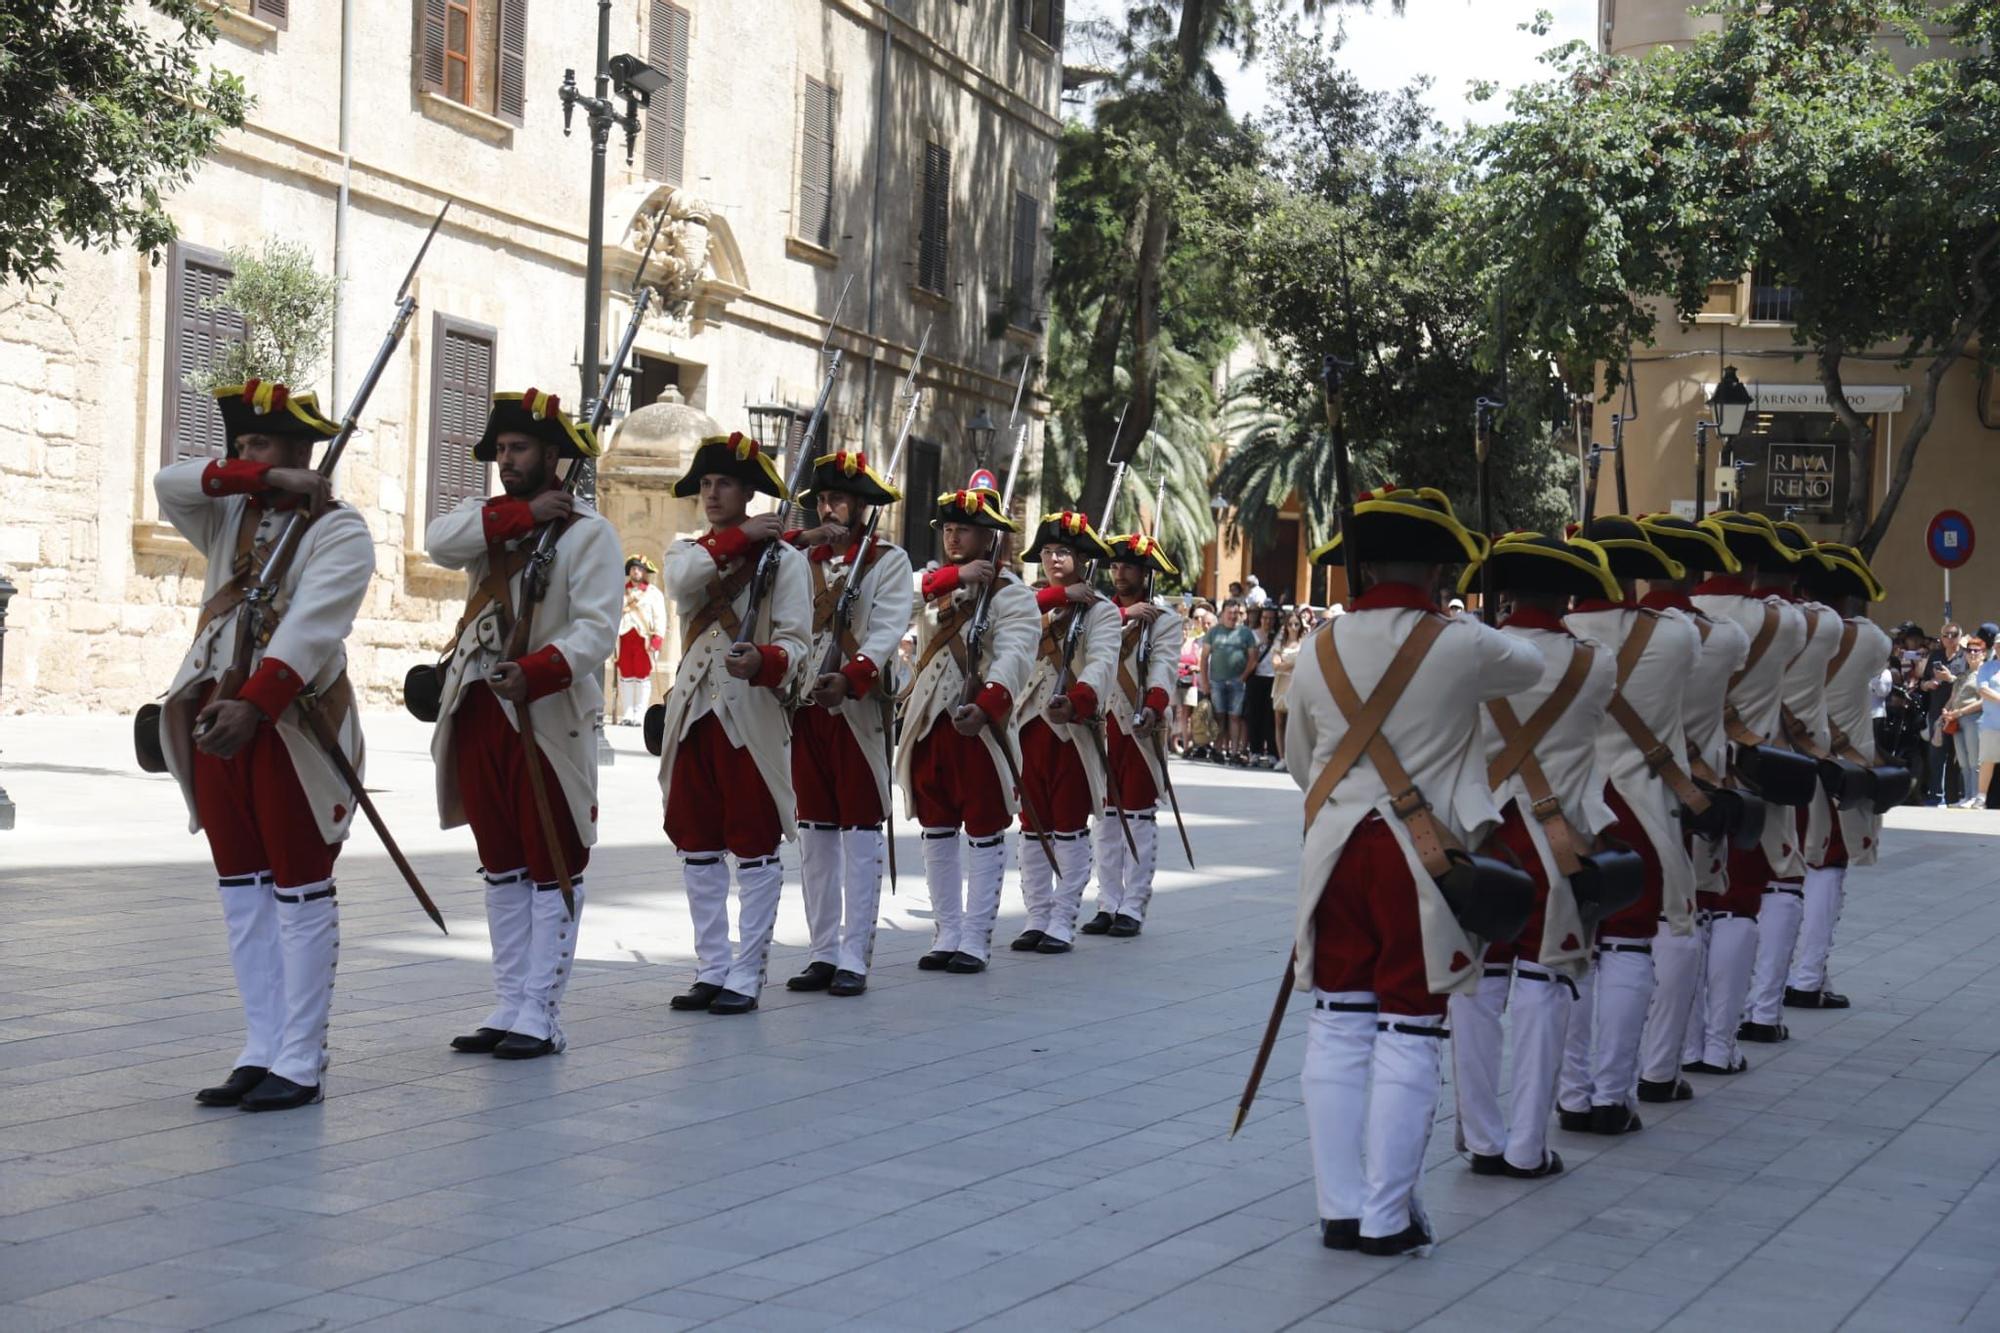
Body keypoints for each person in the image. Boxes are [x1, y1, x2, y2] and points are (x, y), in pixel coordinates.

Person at [1286, 486, 1544, 1257]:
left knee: (1336, 1026)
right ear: (1437, 569)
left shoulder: (1320, 646)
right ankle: (1386, 1214)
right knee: (1407, 1028)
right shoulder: (1459, 642)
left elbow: (1302, 758)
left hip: (1335, 853)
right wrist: (1467, 616)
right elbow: (1528, 664)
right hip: (1420, 858)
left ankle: (1339, 1206)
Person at [155, 382, 372, 1112]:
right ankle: (261, 1045)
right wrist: (258, 477)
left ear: (300, 451)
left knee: (299, 889)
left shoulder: (340, 532)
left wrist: (254, 705)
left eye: (261, 444)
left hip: (289, 724)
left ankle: (302, 1058)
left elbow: (312, 630)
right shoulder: (231, 515)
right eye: (241, 445)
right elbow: (170, 482)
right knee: (242, 891)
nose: (244, 455)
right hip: (219, 714)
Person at [427, 389, 620, 1060]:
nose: (506, 460)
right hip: (480, 708)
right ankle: (508, 1001)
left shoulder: (590, 533)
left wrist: (538, 670)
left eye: (518, 448)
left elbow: (597, 630)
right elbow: (436, 541)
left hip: (545, 713)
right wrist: (519, 515)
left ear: (551, 455)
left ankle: (541, 1010)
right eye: (501, 450)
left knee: (552, 861)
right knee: (501, 862)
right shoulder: (494, 522)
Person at [1449, 533, 1618, 1179]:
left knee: (1475, 987)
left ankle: (1482, 1139)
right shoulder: (1593, 661)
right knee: (1547, 988)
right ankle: (1527, 1145)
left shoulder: (1472, 651)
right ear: (1568, 593)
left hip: (1482, 835)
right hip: (1558, 843)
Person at [653, 433, 810, 1016]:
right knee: (697, 842)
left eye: (724, 484)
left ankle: (747, 973)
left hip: (750, 714)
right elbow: (682, 582)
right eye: (707, 484)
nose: (712, 493)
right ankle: (711, 967)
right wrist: (740, 538)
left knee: (753, 844)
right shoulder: (687, 552)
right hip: (693, 713)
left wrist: (766, 661)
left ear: (748, 491)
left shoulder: (787, 562)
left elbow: (799, 643)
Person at [1558, 517, 1702, 1137]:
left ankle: (1571, 1092)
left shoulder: (1552, 637)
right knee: (1628, 950)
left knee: (1570, 955)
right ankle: (1614, 1094)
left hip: (1565, 812)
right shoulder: (1677, 638)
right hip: (1640, 809)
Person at [782, 449, 913, 999]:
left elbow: (886, 629)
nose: (829, 508)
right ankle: (821, 952)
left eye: (839, 498)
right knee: (815, 837)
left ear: (861, 506)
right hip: (804, 710)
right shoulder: (801, 558)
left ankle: (854, 955)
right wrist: (800, 544)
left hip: (855, 713)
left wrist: (854, 675)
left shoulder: (888, 561)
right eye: (823, 499)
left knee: (860, 836)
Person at [1629, 515, 1750, 1106]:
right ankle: (1664, 1061)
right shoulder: (1716, 634)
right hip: (1686, 786)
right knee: (1685, 920)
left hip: (1591, 797)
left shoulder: (1601, 633)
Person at [896, 488, 1039, 973]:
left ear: (988, 536)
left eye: (965, 529)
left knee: (983, 830)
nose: (955, 537)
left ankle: (975, 936)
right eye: (949, 529)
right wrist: (955, 576)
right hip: (928, 727)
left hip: (977, 727)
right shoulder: (935, 584)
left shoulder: (1011, 593)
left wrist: (989, 701)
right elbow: (897, 594)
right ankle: (946, 932)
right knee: (936, 832)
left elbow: (1017, 653)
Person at [1686, 512, 1809, 1075]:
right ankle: (1721, 1041)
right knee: (1741, 905)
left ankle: (1682, 1047)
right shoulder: (1786, 622)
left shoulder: (1672, 621)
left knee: (1688, 911)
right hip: (1754, 777)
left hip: (1686, 777)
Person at [1740, 521, 1851, 1036]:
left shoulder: (1702, 621)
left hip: (1708, 769)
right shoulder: (1823, 623)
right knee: (1783, 881)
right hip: (1788, 765)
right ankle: (1765, 1008)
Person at [1783, 542, 1893, 1009]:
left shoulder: (1788, 628)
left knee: (1788, 871)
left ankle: (1806, 973)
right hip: (1839, 768)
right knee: (1828, 865)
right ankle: (1807, 977)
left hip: (1787, 761)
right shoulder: (1868, 638)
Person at [1011, 512, 1121, 954]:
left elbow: (1102, 663)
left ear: (1081, 558)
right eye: (1048, 552)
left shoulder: (1103, 612)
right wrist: (1058, 596)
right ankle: (1037, 915)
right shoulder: (1030, 601)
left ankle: (1062, 917)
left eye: (1064, 552)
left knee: (1070, 826)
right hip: (1026, 728)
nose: (1054, 559)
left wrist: (1078, 699)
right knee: (1032, 826)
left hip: (1070, 731)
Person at [1086, 532, 1184, 938]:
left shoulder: (1165, 621)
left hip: (1138, 726)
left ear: (1146, 573)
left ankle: (1133, 904)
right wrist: (1125, 619)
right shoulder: (1098, 614)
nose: (1119, 571)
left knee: (1138, 818)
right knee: (1105, 820)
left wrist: (1153, 706)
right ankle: (1107, 902)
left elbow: (1164, 667)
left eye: (1128, 565)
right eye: (1115, 565)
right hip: (1099, 727)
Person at [1919, 624, 1968, 804]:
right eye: (1946, 635)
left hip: (1958, 712)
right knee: (1936, 755)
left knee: (1957, 757)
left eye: (1954, 634)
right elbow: (1922, 683)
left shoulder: (1965, 656)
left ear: (1960, 636)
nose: (1949, 637)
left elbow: (1969, 683)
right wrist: (1929, 684)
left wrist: (1950, 679)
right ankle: (1935, 796)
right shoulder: (1936, 656)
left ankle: (1954, 797)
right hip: (1937, 712)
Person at [1202, 600, 1256, 763]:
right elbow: (1204, 658)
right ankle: (1218, 750)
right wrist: (1205, 681)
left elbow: (1253, 658)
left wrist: (1243, 677)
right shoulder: (1213, 632)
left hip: (1237, 682)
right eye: (1229, 612)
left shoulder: (1246, 633)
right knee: (1219, 716)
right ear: (1223, 613)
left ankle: (1234, 752)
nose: (1233, 616)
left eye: (1236, 613)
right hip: (1217, 681)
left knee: (1235, 717)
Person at [616, 556, 667, 725]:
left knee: (642, 675)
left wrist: (658, 638)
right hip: (624, 636)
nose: (635, 571)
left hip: (644, 639)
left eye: (639, 569)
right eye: (633, 569)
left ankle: (639, 713)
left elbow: (660, 616)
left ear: (645, 572)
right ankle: (628, 713)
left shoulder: (653, 593)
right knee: (626, 675)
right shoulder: (621, 591)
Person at [1942, 637, 1986, 807]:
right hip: (1956, 720)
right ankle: (1967, 796)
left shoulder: (1984, 673)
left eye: (1977, 650)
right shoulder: (1963, 675)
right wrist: (1946, 711)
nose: (1973, 653)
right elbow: (1953, 698)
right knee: (1963, 761)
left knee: (1975, 760)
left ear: (1983, 654)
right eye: (1970, 650)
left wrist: (1959, 711)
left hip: (1975, 718)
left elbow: (1983, 701)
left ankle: (1976, 796)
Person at [1270, 609, 1307, 764]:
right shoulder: (1280, 643)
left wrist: (1286, 664)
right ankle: (1282, 757)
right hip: (1281, 685)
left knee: (1296, 723)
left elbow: (1305, 663)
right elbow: (1276, 665)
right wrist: (1294, 663)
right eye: (1290, 624)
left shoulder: (1305, 642)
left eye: (1296, 624)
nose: (1293, 627)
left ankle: (1295, 758)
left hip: (1298, 685)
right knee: (1279, 721)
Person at [1975, 639, 2000, 807]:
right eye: (1998, 645)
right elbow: (1983, 690)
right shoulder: (1987, 668)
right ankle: (1981, 798)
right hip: (1992, 723)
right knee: (1987, 761)